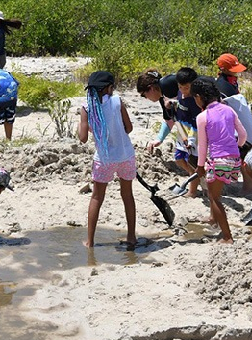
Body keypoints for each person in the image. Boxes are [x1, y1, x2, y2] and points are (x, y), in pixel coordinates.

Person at [78, 71, 136, 249]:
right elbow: (129, 128)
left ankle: (90, 241)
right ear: (109, 88)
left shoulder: (87, 108)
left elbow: (82, 138)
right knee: (127, 195)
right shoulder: (118, 101)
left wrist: (87, 125)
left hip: (104, 159)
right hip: (126, 155)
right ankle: (131, 237)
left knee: (97, 197)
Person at [192, 77, 246, 244]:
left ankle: (227, 237)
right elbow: (243, 135)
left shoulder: (203, 116)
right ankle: (214, 220)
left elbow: (202, 145)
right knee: (216, 192)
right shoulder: (229, 110)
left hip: (218, 160)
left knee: (214, 197)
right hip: (234, 160)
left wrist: (200, 166)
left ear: (199, 97)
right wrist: (235, 147)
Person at [137, 68, 199, 197]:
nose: (146, 98)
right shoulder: (162, 96)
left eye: (144, 95)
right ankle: (196, 176)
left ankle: (193, 188)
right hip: (185, 127)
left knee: (192, 158)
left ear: (151, 88)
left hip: (194, 126)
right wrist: (159, 139)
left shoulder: (167, 84)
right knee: (179, 158)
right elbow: (169, 120)